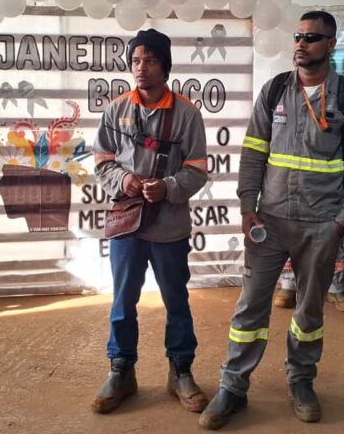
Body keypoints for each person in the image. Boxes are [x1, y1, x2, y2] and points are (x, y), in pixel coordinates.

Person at [200, 10, 344, 429]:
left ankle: (301, 381)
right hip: (271, 221)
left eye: (311, 37)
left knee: (309, 311)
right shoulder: (275, 90)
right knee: (250, 308)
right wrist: (248, 207)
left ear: (331, 44)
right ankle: (232, 387)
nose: (301, 43)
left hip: (321, 224)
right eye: (298, 36)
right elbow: (253, 154)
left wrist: (340, 223)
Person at [91, 28, 210, 415]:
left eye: (151, 60)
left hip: (169, 225)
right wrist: (123, 179)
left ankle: (180, 372)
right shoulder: (116, 109)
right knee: (123, 300)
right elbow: (102, 160)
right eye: (136, 60)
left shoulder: (187, 114)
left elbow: (198, 169)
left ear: (165, 65)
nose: (141, 68)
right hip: (127, 223)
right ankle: (121, 371)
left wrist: (168, 187)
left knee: (176, 300)